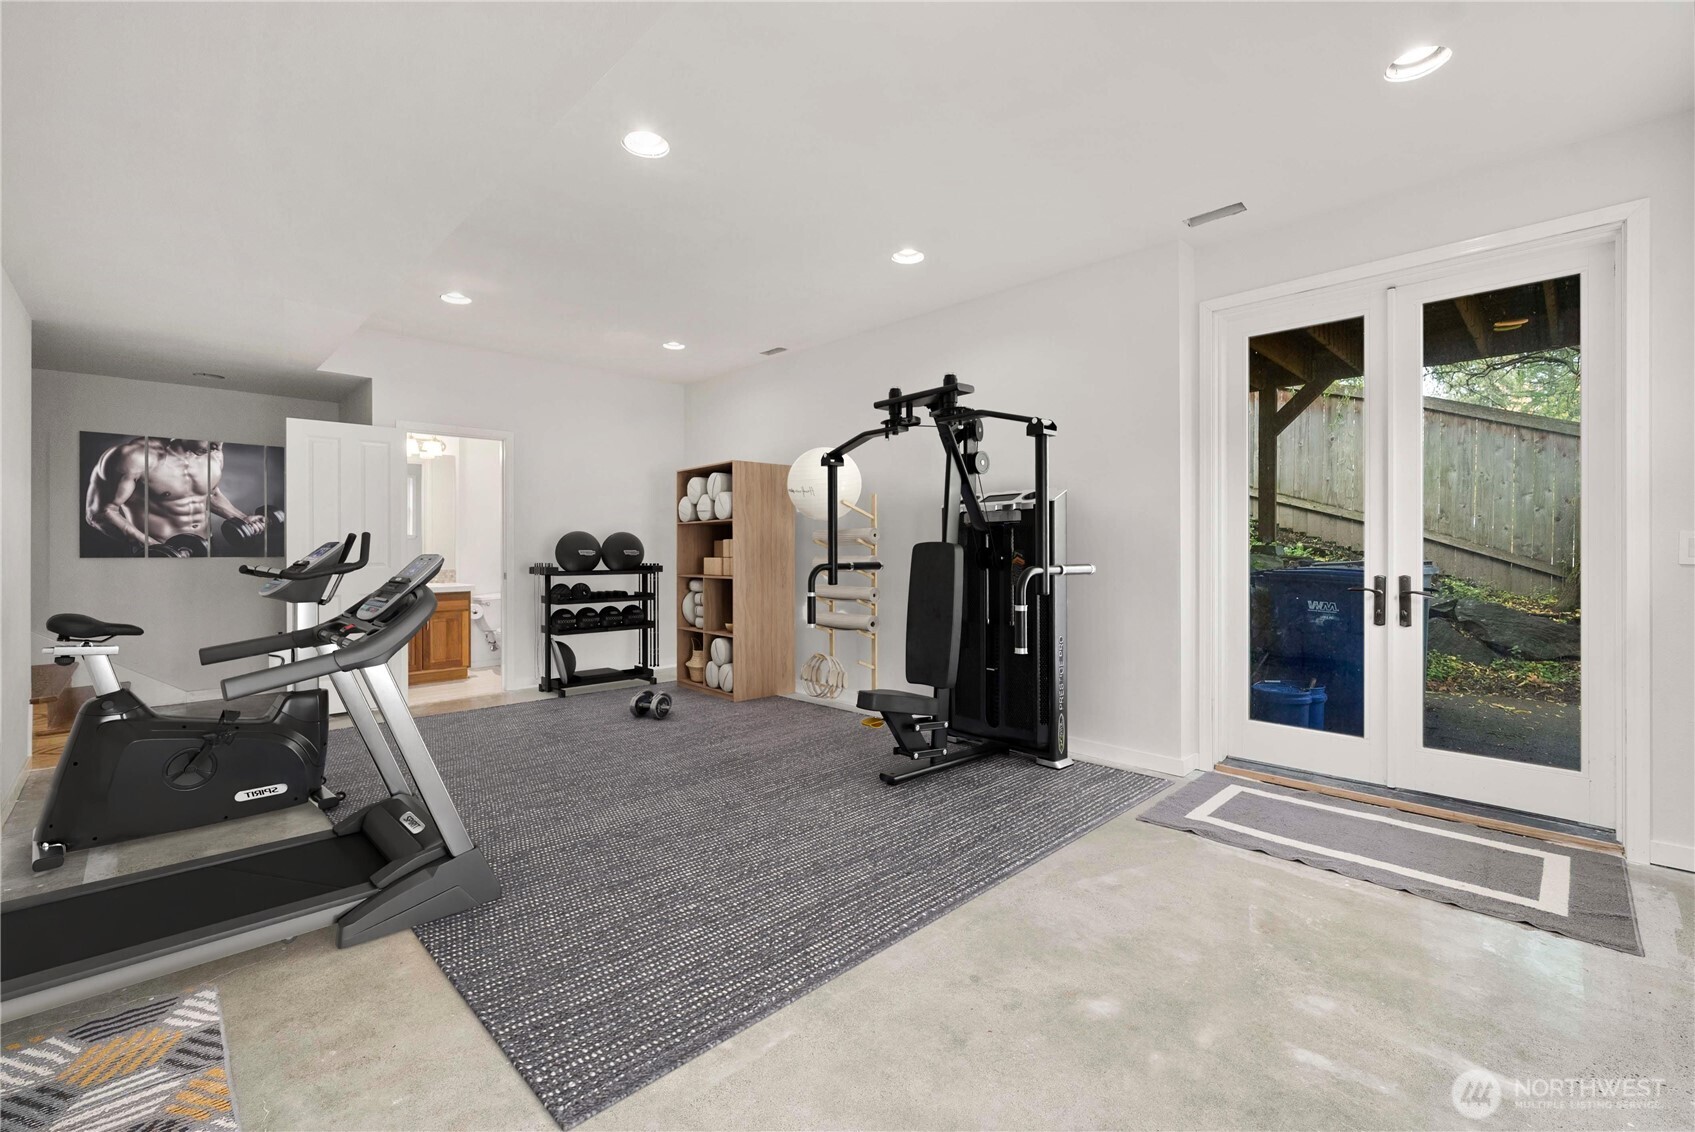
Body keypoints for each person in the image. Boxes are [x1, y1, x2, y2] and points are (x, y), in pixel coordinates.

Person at [84, 438, 266, 556]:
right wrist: (152, 547)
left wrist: (242, 519)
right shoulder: (135, 457)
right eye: (211, 439)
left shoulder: (214, 453)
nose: (217, 446)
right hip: (156, 551)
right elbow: (100, 513)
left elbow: (210, 494)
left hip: (206, 549)